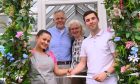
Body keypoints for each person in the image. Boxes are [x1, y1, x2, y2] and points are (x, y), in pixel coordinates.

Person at [70, 10, 118, 84]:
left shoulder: (109, 37)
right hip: (91, 80)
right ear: (85, 23)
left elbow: (117, 60)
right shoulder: (85, 42)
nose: (91, 21)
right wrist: (72, 71)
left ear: (98, 19)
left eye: (93, 18)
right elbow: (82, 63)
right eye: (88, 20)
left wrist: (106, 73)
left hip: (109, 80)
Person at [47, 10, 71, 84]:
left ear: (66, 19)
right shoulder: (48, 32)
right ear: (53, 20)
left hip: (67, 67)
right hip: (52, 67)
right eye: (57, 18)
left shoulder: (70, 32)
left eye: (62, 18)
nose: (60, 20)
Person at [67, 19, 86, 84]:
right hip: (75, 73)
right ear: (70, 31)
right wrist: (71, 69)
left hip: (86, 72)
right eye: (72, 29)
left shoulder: (86, 41)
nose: (74, 30)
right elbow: (73, 58)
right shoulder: (72, 42)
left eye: (76, 28)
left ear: (81, 29)